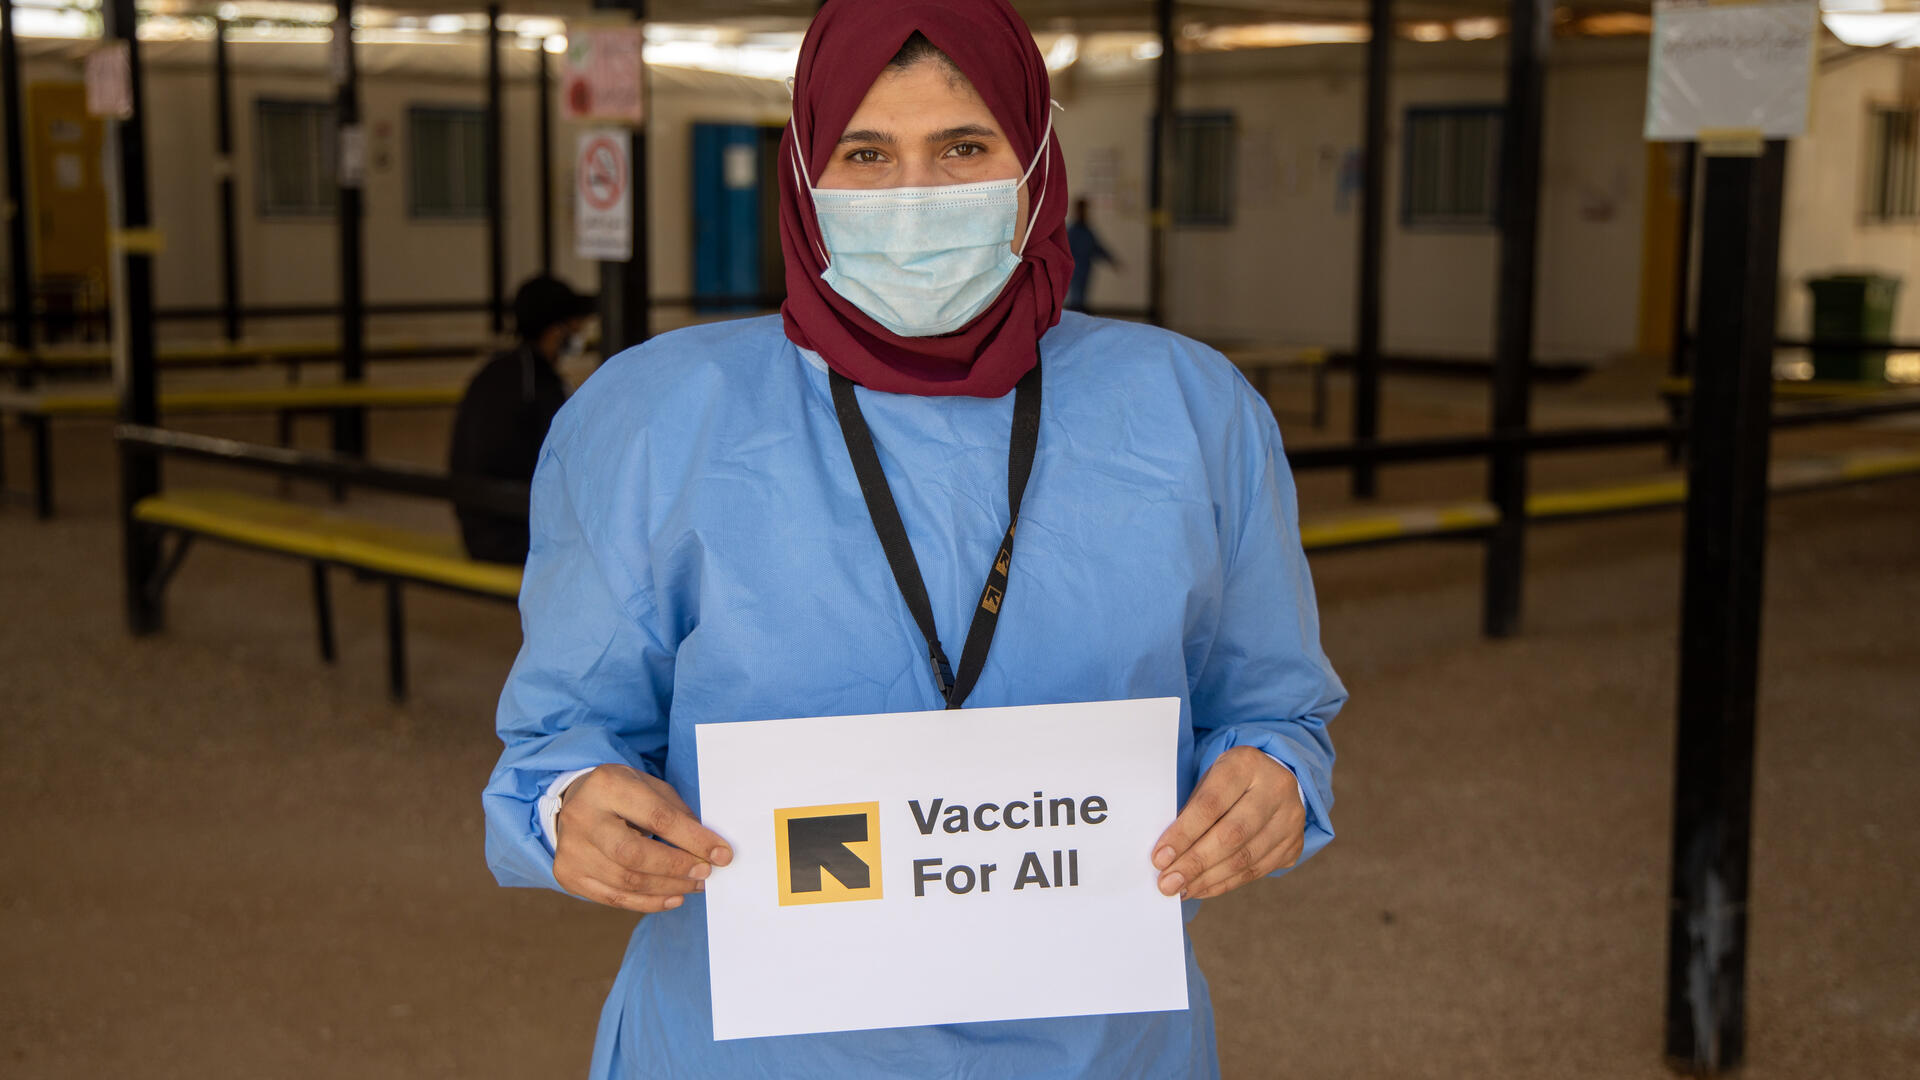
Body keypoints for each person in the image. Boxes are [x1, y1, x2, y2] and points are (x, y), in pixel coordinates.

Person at [482, 2, 1342, 1076]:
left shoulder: (1190, 413)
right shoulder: (658, 418)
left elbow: (1273, 708)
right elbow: (561, 738)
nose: (915, 195)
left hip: (1100, 1050)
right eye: (867, 153)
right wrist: (571, 808)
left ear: (1035, 162)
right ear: (805, 171)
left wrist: (1274, 779)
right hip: (750, 1051)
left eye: (965, 148)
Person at [448, 274, 593, 564]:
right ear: (556, 330)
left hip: (478, 528)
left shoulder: (495, 371)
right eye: (575, 324)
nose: (581, 331)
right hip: (511, 535)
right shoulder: (539, 386)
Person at [1065, 196, 1118, 311]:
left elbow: (1097, 248)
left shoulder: (1087, 231)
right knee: (1076, 299)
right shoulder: (1071, 232)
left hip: (1085, 270)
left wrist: (1112, 261)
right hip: (1075, 271)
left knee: (1082, 298)